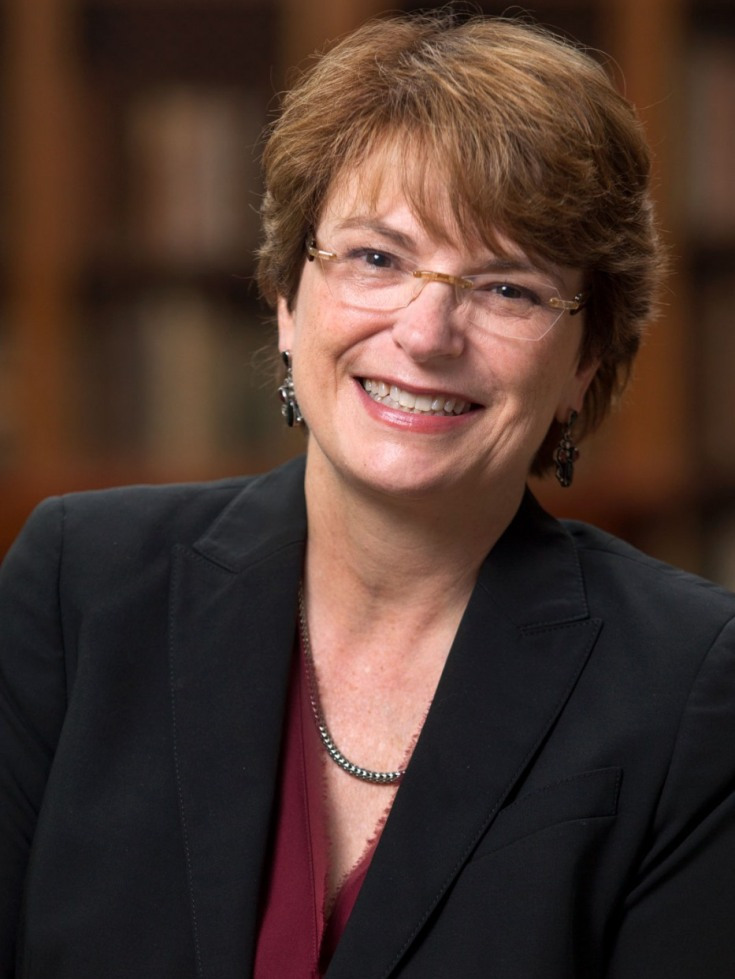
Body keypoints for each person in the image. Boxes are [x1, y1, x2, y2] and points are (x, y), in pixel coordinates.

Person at [1, 11, 734, 978]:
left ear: (583, 365)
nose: (427, 332)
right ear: (287, 301)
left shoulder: (690, 682)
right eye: (377, 258)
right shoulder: (78, 586)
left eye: (507, 287)